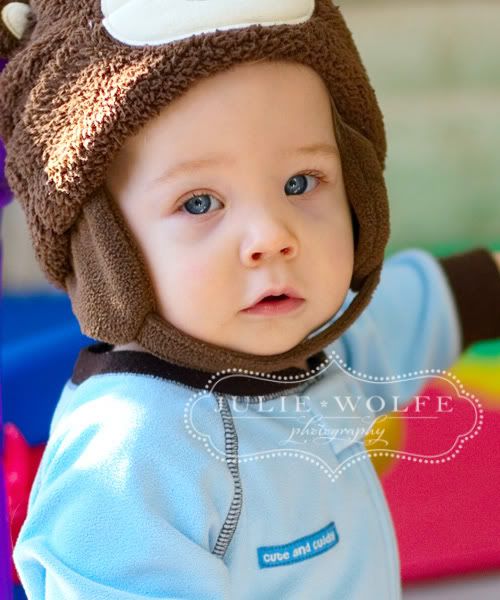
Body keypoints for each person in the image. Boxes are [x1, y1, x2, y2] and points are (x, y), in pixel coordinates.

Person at [1, 2, 499, 598]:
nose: (271, 236)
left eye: (299, 183)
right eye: (199, 203)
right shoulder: (128, 457)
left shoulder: (321, 355)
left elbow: (425, 307)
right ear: (106, 250)